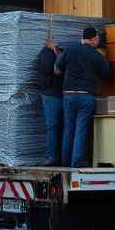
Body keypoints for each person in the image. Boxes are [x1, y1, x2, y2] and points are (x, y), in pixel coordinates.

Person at [56, 27, 112, 168]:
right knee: (81, 129)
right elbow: (108, 76)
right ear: (93, 39)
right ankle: (77, 162)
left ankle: (65, 162)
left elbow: (58, 69)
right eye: (97, 39)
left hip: (68, 95)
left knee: (68, 128)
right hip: (85, 97)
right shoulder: (97, 56)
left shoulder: (70, 49)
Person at [37, 38, 63, 166]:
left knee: (60, 127)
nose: (56, 43)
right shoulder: (45, 55)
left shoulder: (58, 53)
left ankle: (58, 156)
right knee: (53, 126)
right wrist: (55, 52)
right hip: (51, 95)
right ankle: (51, 156)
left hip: (60, 95)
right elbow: (56, 70)